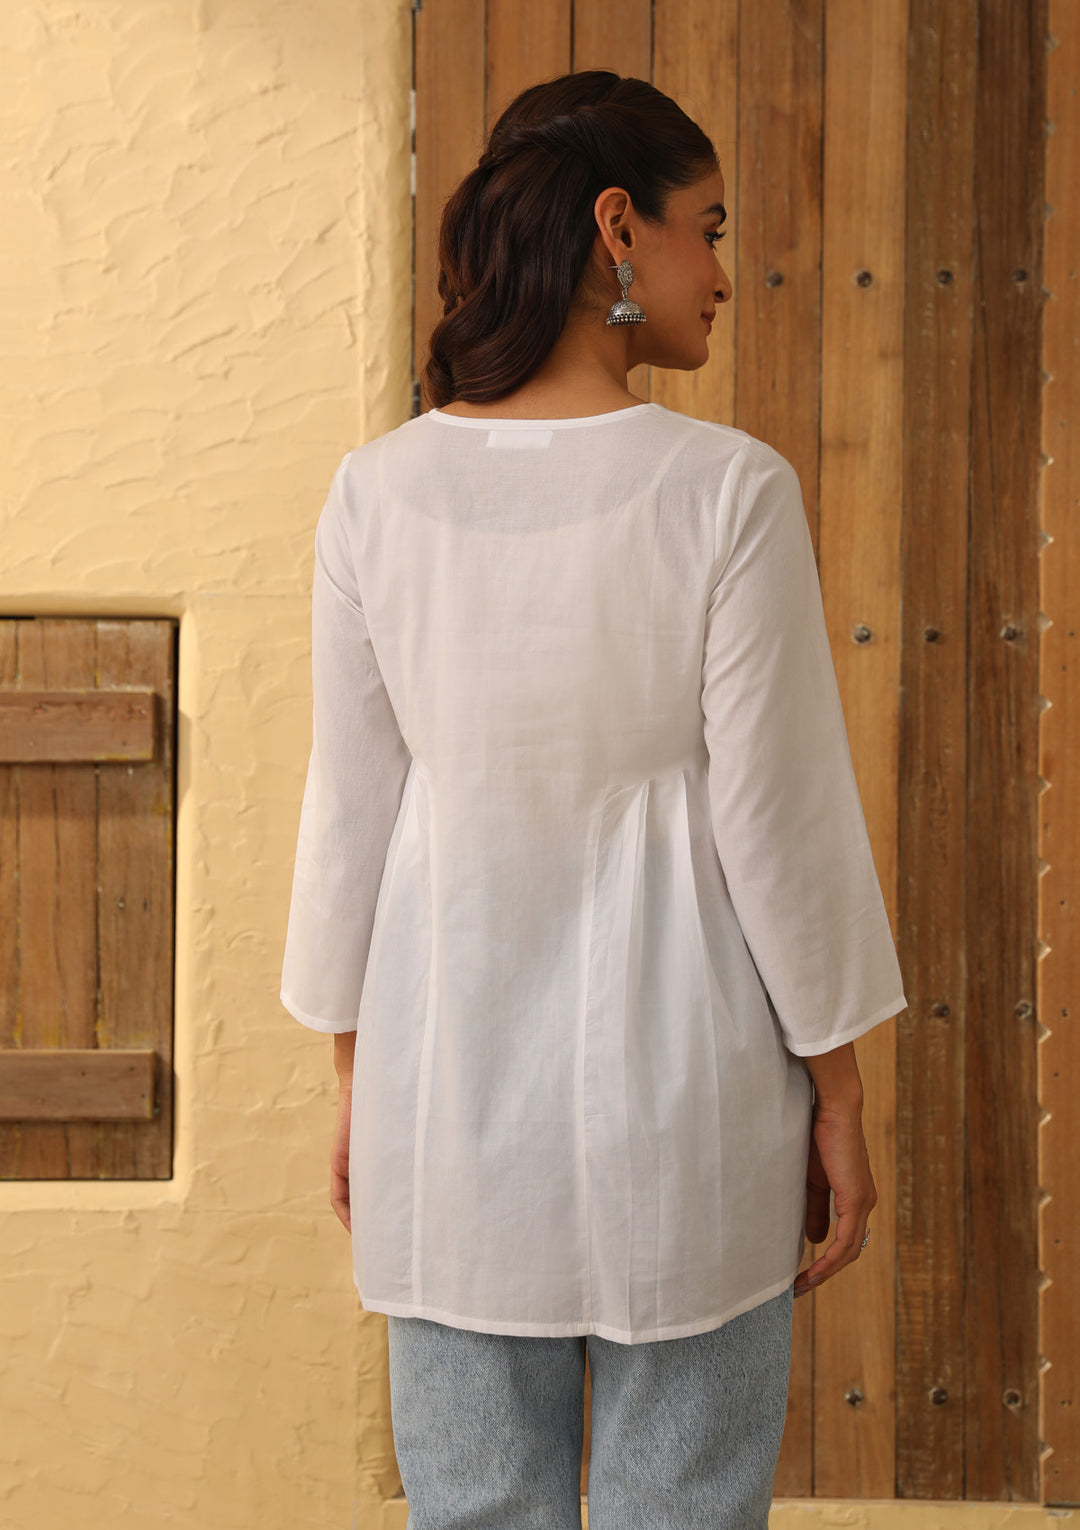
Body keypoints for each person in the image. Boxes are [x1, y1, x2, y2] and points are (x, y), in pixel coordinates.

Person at [280, 68, 907, 1530]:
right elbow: (781, 822)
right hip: (692, 1099)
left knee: (471, 1508)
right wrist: (839, 1092)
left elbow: (349, 818)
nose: (726, 275)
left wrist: (363, 1081)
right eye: (711, 229)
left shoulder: (377, 492)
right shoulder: (727, 491)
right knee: (683, 1509)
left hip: (446, 1096)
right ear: (620, 229)